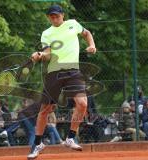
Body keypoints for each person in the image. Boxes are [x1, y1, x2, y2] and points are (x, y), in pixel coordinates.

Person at [27, 4, 96, 159]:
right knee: (45, 109)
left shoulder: (73, 24)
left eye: (57, 15)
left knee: (83, 104)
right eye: (51, 16)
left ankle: (70, 138)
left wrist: (92, 45)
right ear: (48, 17)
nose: (54, 18)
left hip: (73, 71)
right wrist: (39, 55)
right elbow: (48, 53)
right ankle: (37, 143)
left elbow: (86, 33)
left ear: (62, 15)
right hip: (54, 72)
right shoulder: (46, 33)